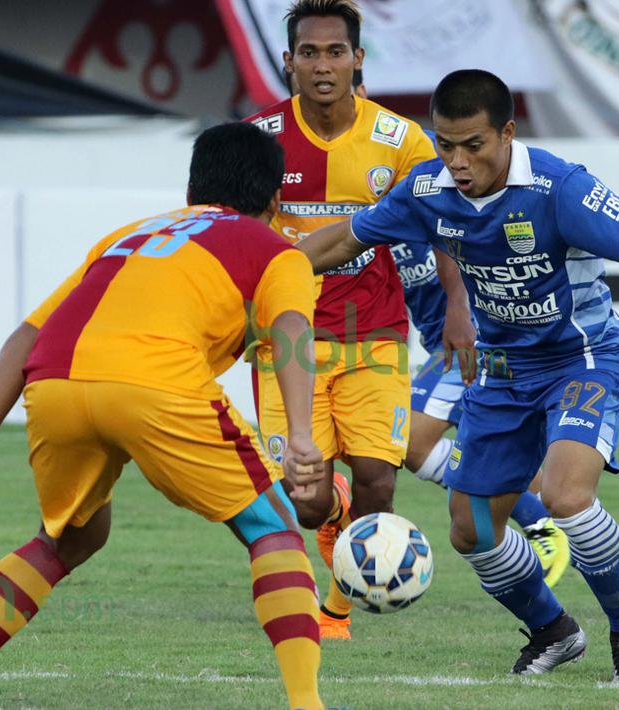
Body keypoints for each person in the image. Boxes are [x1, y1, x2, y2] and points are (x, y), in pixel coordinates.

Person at [297, 70, 619, 684]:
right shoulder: (427, 190)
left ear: (507, 133)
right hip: (500, 369)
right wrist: (257, 270)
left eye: (473, 145)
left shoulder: (558, 187)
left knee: (566, 495)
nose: (457, 162)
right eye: (445, 145)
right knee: (470, 530)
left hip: (582, 359)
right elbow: (342, 241)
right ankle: (553, 630)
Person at [0, 122, 328, 710]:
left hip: (55, 382)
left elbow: (25, 337)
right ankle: (307, 704)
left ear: (191, 191)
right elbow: (291, 329)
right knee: (274, 526)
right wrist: (301, 434)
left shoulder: (127, 236)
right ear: (277, 199)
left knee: (69, 538)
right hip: (153, 382)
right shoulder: (278, 249)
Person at [245, 0, 468, 641]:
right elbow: (238, 235)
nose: (323, 66)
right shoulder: (259, 140)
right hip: (288, 343)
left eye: (335, 52)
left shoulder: (401, 141)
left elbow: (445, 222)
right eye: (309, 53)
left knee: (377, 482)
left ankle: (337, 607)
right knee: (307, 499)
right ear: (288, 61)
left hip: (375, 333)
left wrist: (457, 306)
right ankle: (331, 507)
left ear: (358, 59)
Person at [392, 239, 619, 619]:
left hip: (483, 346)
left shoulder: (431, 210)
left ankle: (539, 524)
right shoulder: (381, 220)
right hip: (447, 348)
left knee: (410, 440)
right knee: (518, 480)